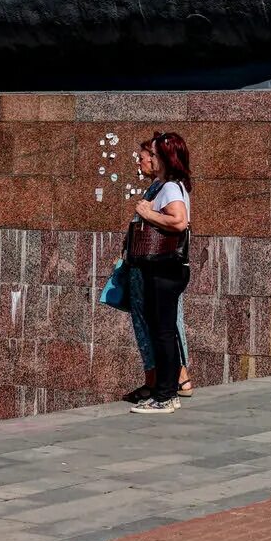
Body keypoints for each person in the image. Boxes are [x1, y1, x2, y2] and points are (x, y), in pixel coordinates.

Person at [120, 136, 193, 403]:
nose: (146, 159)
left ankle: (167, 391)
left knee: (163, 330)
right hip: (160, 268)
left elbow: (179, 221)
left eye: (152, 154)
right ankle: (166, 388)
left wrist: (147, 213)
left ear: (163, 158)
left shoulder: (171, 187)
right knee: (161, 328)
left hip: (164, 268)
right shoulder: (167, 186)